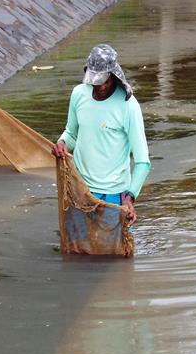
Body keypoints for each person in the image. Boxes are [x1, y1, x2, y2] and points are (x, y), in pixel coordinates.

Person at [51, 44, 151, 226]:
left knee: (112, 243)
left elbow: (143, 161)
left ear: (113, 76)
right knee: (78, 241)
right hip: (79, 188)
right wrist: (62, 142)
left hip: (113, 194)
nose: (100, 86)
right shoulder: (79, 94)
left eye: (105, 81)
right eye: (95, 81)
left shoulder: (128, 106)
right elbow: (72, 134)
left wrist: (130, 198)